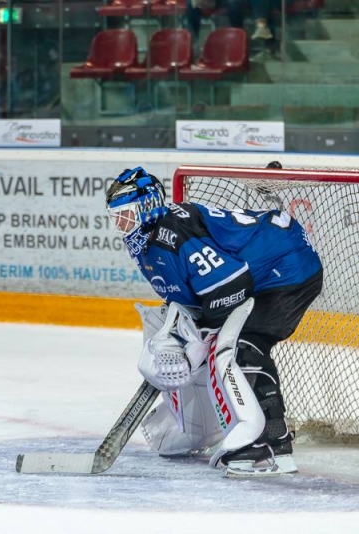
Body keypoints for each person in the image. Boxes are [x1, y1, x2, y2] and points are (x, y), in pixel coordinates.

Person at [105, 164, 323, 476]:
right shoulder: (146, 244)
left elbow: (232, 287)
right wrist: (181, 335)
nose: (122, 225)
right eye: (117, 218)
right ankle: (225, 428)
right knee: (224, 343)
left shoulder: (174, 236)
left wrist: (197, 341)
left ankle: (272, 446)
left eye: (127, 215)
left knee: (242, 345)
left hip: (288, 268)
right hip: (258, 275)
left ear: (148, 207)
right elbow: (192, 298)